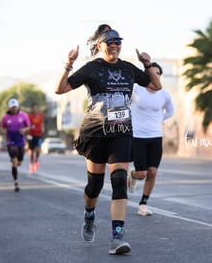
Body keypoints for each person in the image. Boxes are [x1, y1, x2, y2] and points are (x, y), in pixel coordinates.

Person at [55, 24, 162, 255]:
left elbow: (156, 85)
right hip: (95, 134)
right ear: (99, 46)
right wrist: (68, 63)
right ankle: (89, 214)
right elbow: (60, 88)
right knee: (94, 185)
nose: (114, 46)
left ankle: (117, 237)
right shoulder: (91, 69)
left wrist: (147, 64)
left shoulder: (128, 68)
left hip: (121, 133)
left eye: (117, 42)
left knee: (119, 180)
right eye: (109, 43)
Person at [127, 62, 174, 216]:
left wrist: (156, 121)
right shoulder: (136, 90)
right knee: (142, 173)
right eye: (152, 73)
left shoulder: (164, 94)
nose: (155, 76)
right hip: (137, 136)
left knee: (152, 172)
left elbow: (170, 111)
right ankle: (133, 176)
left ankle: (143, 204)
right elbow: (124, 106)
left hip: (155, 136)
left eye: (158, 74)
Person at [0, 98, 31, 192]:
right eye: (12, 107)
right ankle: (16, 183)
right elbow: (2, 127)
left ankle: (16, 164)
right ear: (9, 108)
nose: (14, 109)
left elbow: (28, 126)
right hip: (11, 142)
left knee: (19, 163)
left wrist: (24, 130)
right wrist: (4, 131)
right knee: (14, 162)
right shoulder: (5, 117)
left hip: (21, 141)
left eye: (15, 107)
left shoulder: (24, 115)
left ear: (17, 107)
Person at [27, 103, 44, 173]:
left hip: (38, 135)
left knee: (38, 149)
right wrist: (30, 127)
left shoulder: (40, 116)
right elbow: (26, 125)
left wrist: (43, 129)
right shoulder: (29, 116)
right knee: (31, 152)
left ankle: (36, 161)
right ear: (32, 109)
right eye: (34, 108)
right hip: (30, 135)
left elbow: (42, 124)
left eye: (36, 108)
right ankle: (31, 165)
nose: (35, 109)